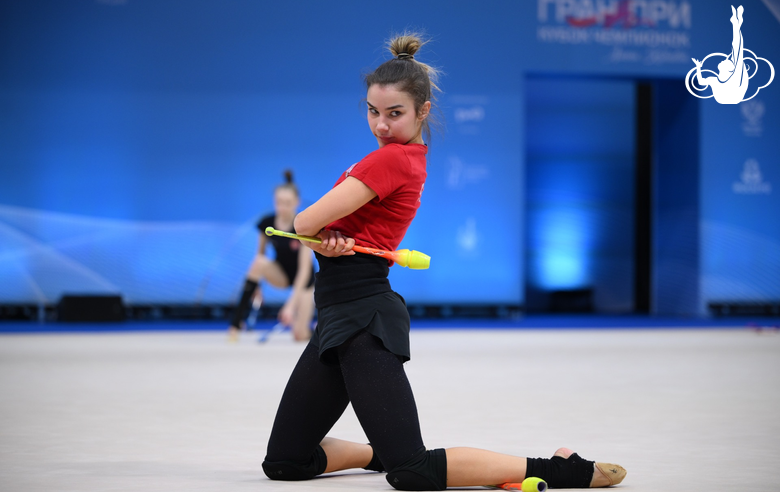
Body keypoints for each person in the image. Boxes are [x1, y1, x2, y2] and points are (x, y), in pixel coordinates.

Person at [261, 34, 627, 490]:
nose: (381, 124)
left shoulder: (390, 162)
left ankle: (564, 467)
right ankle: (379, 451)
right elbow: (314, 232)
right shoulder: (398, 159)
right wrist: (323, 240)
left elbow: (303, 219)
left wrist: (317, 234)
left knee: (413, 471)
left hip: (362, 318)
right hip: (337, 312)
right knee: (286, 462)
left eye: (395, 114)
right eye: (373, 112)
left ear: (423, 111)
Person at [227, 170, 315, 342]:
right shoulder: (267, 224)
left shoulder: (304, 225)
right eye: (279, 202)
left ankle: (313, 328)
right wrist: (256, 287)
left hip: (305, 282)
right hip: (281, 274)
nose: (283, 207)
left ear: (297, 202)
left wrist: (290, 306)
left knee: (300, 335)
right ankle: (236, 324)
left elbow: (304, 271)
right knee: (258, 263)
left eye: (288, 202)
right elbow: (259, 257)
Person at [692, 5, 748, 104]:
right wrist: (698, 67)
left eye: (727, 61)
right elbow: (701, 82)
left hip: (734, 96)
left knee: (737, 50)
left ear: (729, 69)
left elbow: (737, 48)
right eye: (728, 60)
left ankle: (736, 23)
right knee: (736, 51)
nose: (725, 59)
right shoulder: (714, 80)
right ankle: (736, 23)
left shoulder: (734, 77)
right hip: (727, 97)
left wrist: (736, 25)